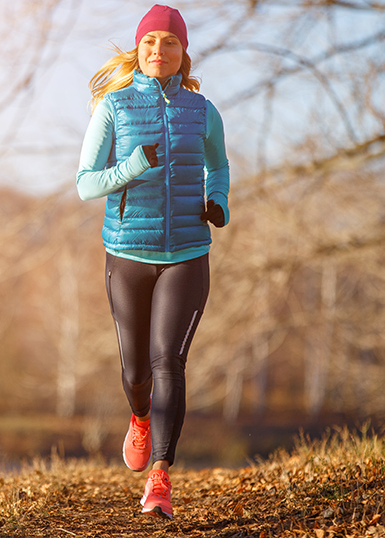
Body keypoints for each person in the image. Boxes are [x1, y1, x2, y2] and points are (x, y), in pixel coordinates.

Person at [76, 4, 230, 521]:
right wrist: (134, 164)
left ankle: (160, 479)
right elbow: (85, 183)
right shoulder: (114, 108)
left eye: (169, 42)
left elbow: (219, 164)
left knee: (170, 362)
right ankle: (139, 416)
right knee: (136, 370)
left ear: (183, 52)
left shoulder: (202, 110)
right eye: (149, 42)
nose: (158, 50)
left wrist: (219, 200)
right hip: (128, 255)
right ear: (137, 49)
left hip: (187, 253)